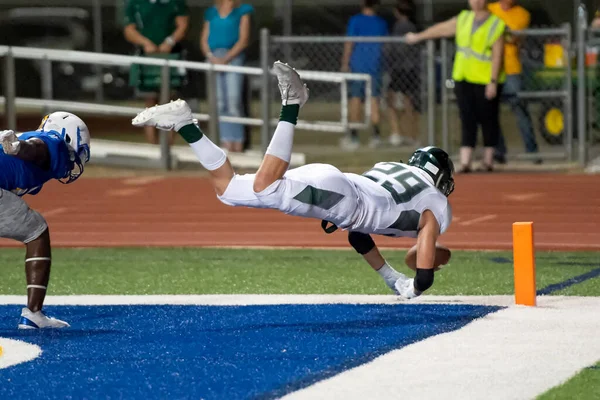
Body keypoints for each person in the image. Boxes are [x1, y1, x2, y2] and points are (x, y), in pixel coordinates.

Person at [132, 62, 455, 300]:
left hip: (335, 183)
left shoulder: (391, 169)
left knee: (228, 189)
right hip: (341, 199)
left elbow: (359, 236)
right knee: (265, 185)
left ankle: (185, 125)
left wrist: (392, 278)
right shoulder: (436, 203)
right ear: (439, 175)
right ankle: (292, 103)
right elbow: (426, 251)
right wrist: (417, 283)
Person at [0, 112, 91, 329]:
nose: (76, 158)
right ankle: (34, 314)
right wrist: (19, 148)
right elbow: (37, 147)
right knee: (36, 232)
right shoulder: (53, 142)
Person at [406, 0, 506, 173]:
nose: (476, 2)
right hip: (463, 76)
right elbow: (441, 29)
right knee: (467, 118)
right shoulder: (464, 19)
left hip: (485, 79)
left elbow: (498, 55)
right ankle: (466, 161)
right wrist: (418, 36)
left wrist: (493, 81)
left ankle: (488, 160)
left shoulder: (496, 24)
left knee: (488, 118)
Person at [123, 0, 190, 146]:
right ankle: (152, 145)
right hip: (146, 56)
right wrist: (146, 43)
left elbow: (183, 25)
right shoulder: (135, 3)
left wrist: (170, 41)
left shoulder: (174, 3)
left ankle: (167, 146)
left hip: (170, 56)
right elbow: (129, 30)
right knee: (150, 102)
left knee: (169, 102)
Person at [489, 0, 541, 164]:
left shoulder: (522, 14)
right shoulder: (490, 9)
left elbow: (513, 38)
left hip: (512, 69)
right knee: (490, 112)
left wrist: (499, 30)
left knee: (520, 110)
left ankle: (532, 152)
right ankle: (498, 151)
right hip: (490, 69)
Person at [201, 0, 254, 153]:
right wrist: (211, 56)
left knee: (233, 100)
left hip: (233, 58)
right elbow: (204, 39)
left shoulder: (243, 10)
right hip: (213, 57)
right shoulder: (211, 12)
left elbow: (243, 39)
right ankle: (225, 142)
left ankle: (237, 141)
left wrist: (227, 58)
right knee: (219, 103)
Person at [341, 0, 388, 150]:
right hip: (375, 66)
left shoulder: (355, 20)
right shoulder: (381, 23)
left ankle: (354, 136)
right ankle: (375, 136)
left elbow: (350, 43)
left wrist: (345, 62)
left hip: (358, 65)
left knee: (355, 99)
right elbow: (385, 46)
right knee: (374, 99)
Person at [385, 0, 421, 147]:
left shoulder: (401, 27)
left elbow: (395, 50)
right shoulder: (413, 26)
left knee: (392, 100)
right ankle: (412, 135)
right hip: (410, 69)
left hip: (400, 69)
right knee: (408, 103)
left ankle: (397, 133)